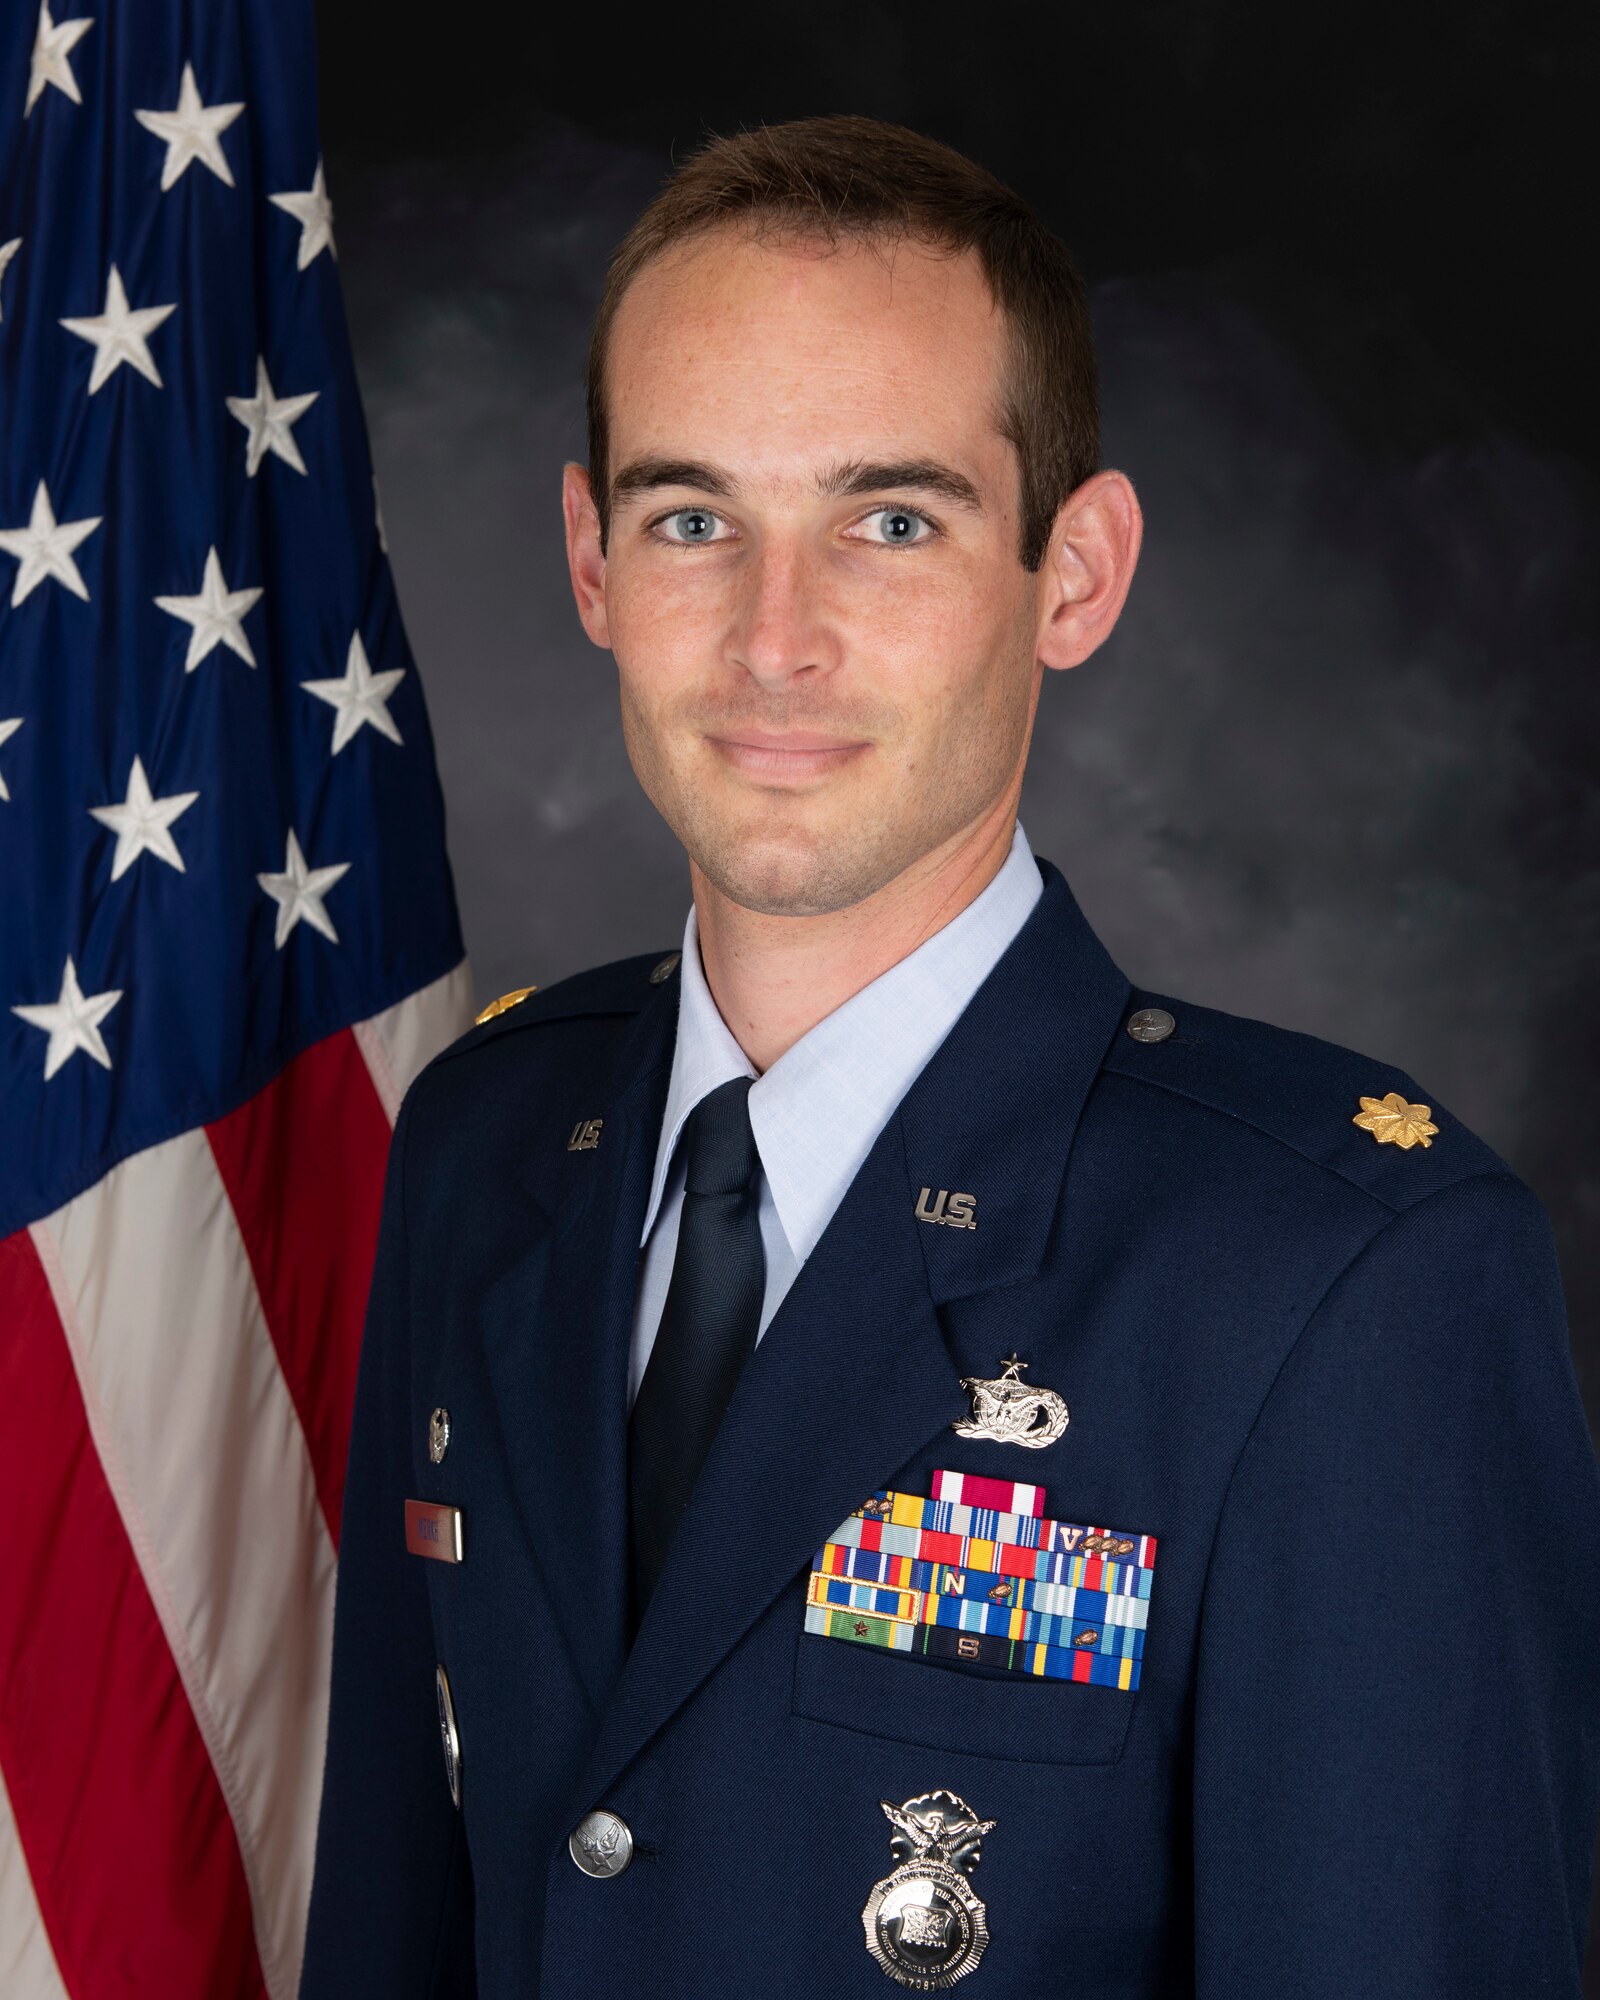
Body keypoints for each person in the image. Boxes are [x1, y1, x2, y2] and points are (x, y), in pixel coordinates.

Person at [299, 116, 1600, 1998]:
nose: (773, 639)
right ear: (590, 560)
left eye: (889, 522)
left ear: (1074, 575)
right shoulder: (488, 1138)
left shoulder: (1343, 1276)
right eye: (693, 520)